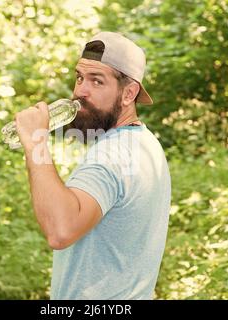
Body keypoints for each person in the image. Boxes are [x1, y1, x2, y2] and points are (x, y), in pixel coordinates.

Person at [14, 31, 171, 299]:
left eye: (97, 81)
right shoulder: (144, 143)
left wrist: (36, 143)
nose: (80, 92)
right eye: (79, 77)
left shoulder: (113, 155)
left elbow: (60, 230)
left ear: (128, 93)